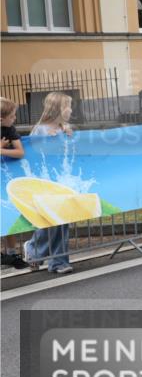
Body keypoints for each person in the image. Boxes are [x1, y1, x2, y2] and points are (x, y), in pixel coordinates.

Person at [24, 92, 75, 274]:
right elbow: (32, 154)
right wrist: (47, 141)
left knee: (63, 221)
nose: (70, 110)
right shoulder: (40, 130)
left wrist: (69, 137)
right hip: (46, 182)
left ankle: (59, 261)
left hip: (64, 181)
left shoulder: (66, 128)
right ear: (56, 109)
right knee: (50, 221)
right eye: (67, 106)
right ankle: (33, 248)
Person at [0, 97, 29, 269]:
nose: (15, 118)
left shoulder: (9, 129)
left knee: (7, 214)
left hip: (4, 179)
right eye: (12, 116)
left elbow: (20, 152)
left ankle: (12, 253)